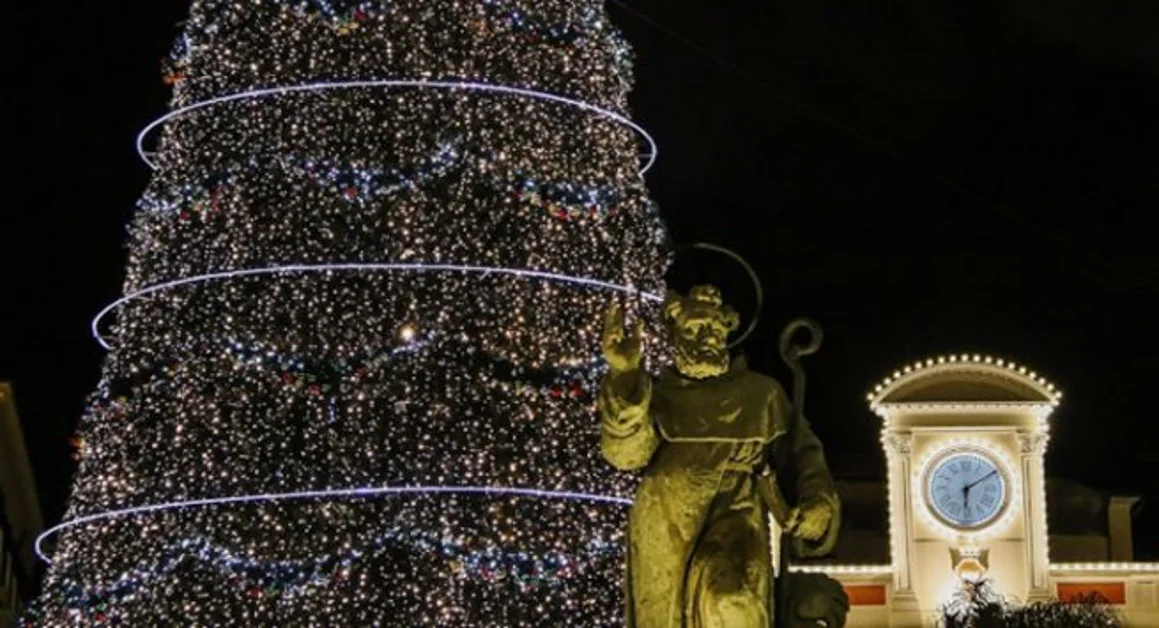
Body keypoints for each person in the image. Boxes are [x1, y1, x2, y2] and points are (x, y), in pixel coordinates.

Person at [599, 285, 841, 627]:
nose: (707, 338)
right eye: (695, 329)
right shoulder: (658, 394)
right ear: (676, 335)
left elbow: (802, 454)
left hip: (735, 509)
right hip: (665, 522)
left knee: (731, 599)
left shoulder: (761, 394)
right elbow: (626, 456)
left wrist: (818, 502)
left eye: (714, 329)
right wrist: (625, 376)